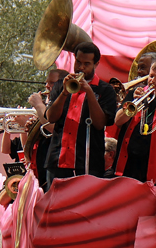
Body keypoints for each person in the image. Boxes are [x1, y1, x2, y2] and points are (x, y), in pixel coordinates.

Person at [44, 42, 117, 187]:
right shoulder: (60, 85)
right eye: (78, 62)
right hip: (57, 161)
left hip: (88, 163)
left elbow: (100, 123)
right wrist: (64, 92)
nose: (81, 67)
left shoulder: (106, 90)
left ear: (96, 64)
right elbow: (51, 117)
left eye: (86, 64)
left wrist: (89, 91)